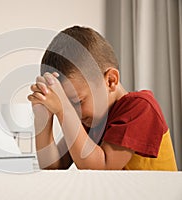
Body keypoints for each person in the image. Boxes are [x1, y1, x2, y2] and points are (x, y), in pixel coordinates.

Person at [27, 26, 177, 170]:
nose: (74, 113)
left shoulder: (141, 107)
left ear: (111, 80)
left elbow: (102, 167)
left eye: (78, 101)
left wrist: (64, 109)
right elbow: (53, 166)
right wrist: (43, 115)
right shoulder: (89, 121)